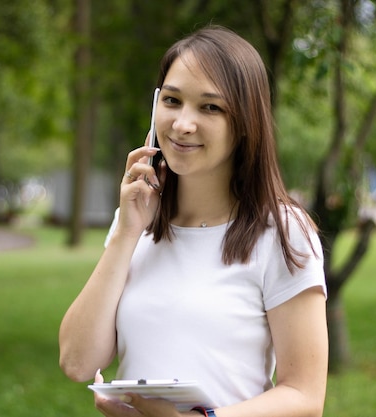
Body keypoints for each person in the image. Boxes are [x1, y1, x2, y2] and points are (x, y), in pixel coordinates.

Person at [59, 25, 328, 417]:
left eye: (210, 107)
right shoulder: (135, 224)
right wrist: (128, 231)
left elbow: (305, 397)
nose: (183, 124)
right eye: (172, 100)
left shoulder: (283, 232)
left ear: (246, 123)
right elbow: (77, 362)